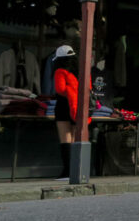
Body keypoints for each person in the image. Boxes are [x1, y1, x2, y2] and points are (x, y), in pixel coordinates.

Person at [52, 45, 80, 180]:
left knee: (66, 139)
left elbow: (60, 89)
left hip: (63, 106)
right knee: (75, 138)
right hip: (77, 107)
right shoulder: (80, 72)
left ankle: (67, 172)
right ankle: (76, 170)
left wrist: (69, 91)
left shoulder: (60, 71)